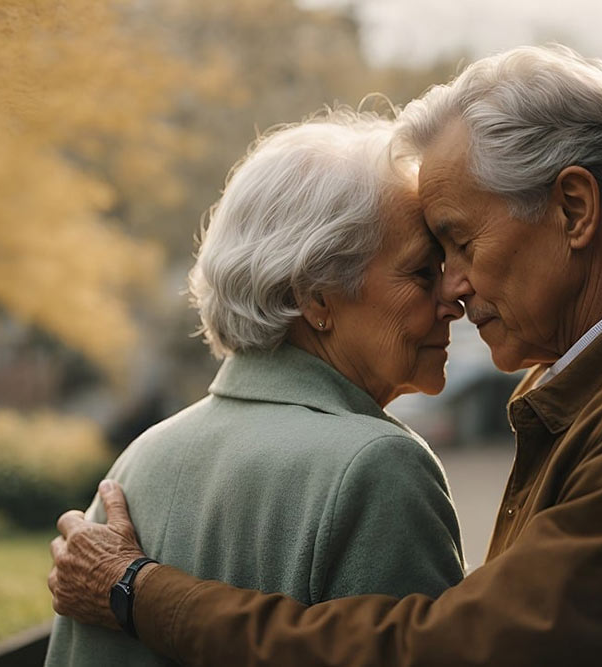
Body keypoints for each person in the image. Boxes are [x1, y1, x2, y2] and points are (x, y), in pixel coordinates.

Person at [49, 44, 602, 666]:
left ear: (574, 208)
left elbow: (451, 651)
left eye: (457, 242)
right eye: (430, 261)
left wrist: (138, 589)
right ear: (316, 298)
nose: (453, 289)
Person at [44, 109, 467, 666]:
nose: (455, 296)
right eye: (422, 273)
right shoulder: (378, 467)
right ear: (317, 297)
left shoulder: (139, 461)